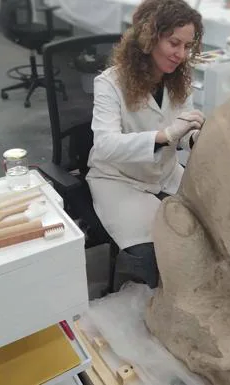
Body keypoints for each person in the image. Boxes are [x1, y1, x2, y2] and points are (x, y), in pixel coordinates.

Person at [85, 0, 205, 291]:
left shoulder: (179, 82)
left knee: (210, 229)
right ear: (149, 37)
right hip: (118, 179)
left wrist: (196, 137)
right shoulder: (110, 84)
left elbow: (184, 130)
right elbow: (104, 145)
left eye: (187, 46)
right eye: (174, 43)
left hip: (164, 172)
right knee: (157, 258)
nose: (180, 55)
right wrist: (164, 136)